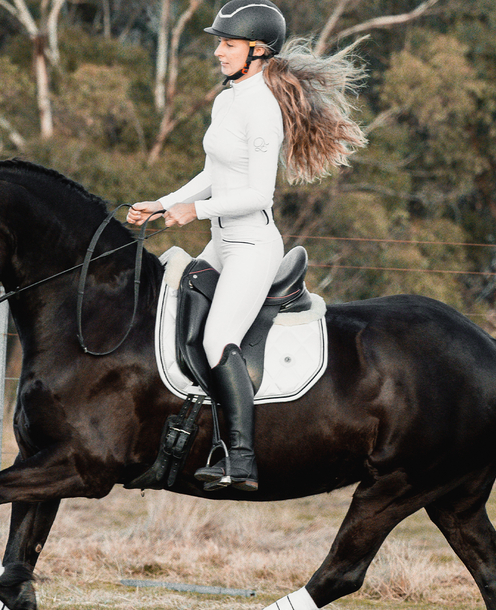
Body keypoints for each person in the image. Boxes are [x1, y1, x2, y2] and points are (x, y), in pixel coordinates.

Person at [127, 0, 367, 492]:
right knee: (182, 301)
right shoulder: (227, 100)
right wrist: (163, 202)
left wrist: (195, 211)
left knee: (218, 340)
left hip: (252, 246)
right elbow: (214, 173)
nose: (218, 52)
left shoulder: (262, 109)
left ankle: (241, 460)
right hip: (222, 242)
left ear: (257, 51)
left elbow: (258, 194)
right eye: (220, 43)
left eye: (228, 44)